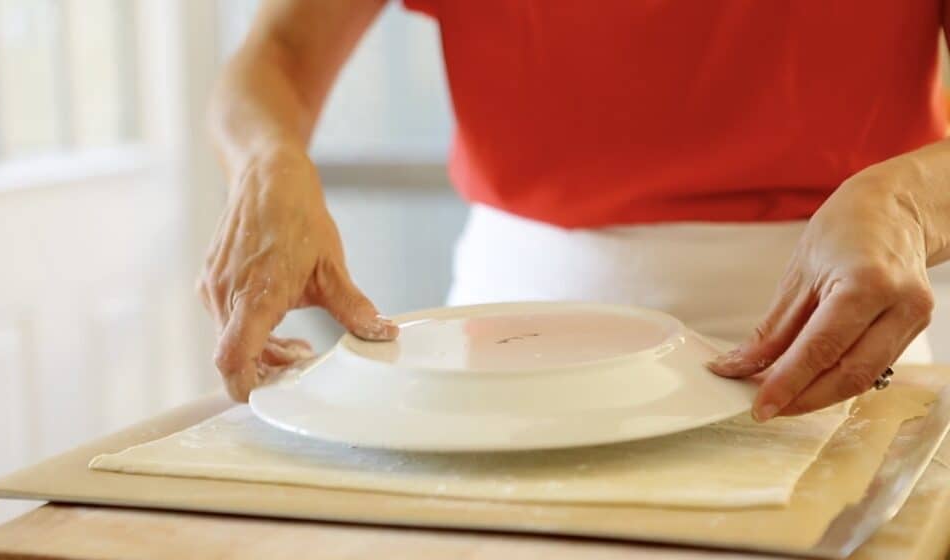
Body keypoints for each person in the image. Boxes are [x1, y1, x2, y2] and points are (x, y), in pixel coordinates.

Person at [199, 1, 950, 423]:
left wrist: (911, 202)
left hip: (836, 346)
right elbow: (280, 54)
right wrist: (269, 163)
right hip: (496, 353)